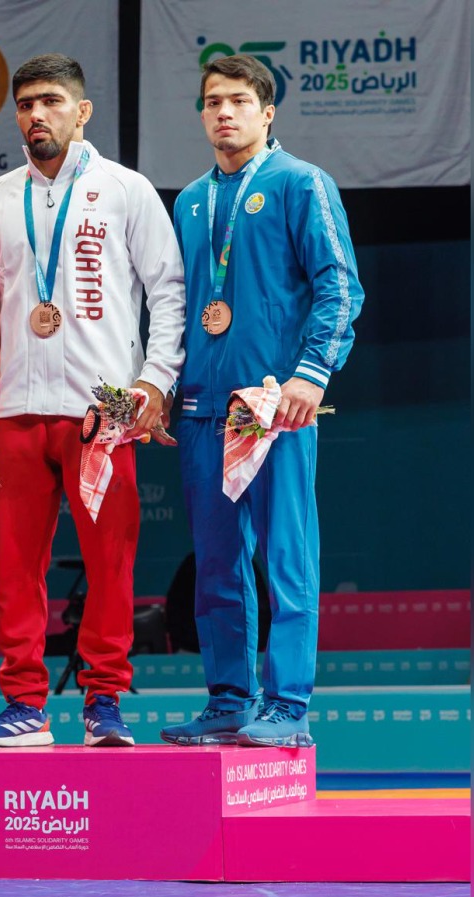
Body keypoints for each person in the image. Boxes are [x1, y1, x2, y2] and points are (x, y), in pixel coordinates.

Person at [0, 54, 185, 748]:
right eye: (26, 103)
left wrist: (153, 382)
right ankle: (25, 703)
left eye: (52, 101)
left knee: (110, 563)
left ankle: (105, 702)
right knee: (14, 569)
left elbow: (169, 291)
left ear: (82, 111)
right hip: (14, 411)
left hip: (102, 413)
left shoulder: (126, 189)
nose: (37, 114)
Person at [161, 55, 364, 748]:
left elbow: (340, 286)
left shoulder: (301, 183)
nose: (225, 112)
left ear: (267, 110)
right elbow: (178, 308)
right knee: (215, 561)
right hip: (202, 410)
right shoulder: (189, 200)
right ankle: (227, 697)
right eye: (213, 100)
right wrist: (160, 388)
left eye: (240, 100)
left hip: (274, 407)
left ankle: (287, 702)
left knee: (285, 556)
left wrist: (312, 373)